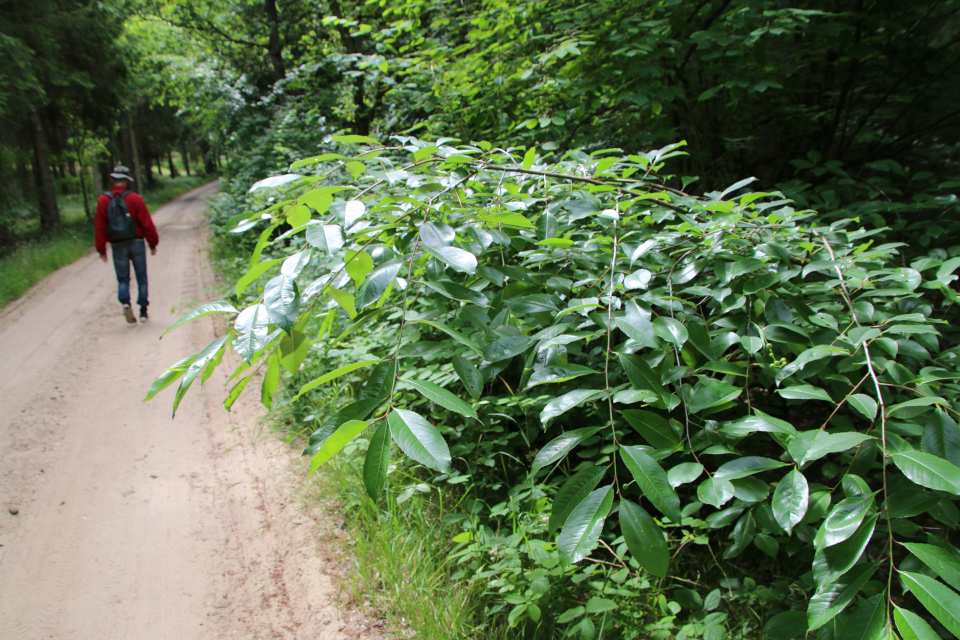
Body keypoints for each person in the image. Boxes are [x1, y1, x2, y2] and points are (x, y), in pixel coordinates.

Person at [94, 165, 159, 324]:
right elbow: (146, 223)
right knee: (141, 277)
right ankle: (143, 312)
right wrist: (152, 243)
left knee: (123, 278)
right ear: (126, 181)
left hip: (117, 245)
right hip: (136, 242)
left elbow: (100, 226)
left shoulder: (103, 200)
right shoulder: (135, 198)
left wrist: (101, 249)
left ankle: (125, 302)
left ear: (112, 180)